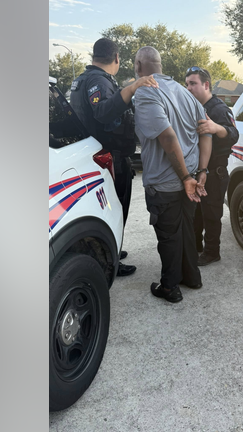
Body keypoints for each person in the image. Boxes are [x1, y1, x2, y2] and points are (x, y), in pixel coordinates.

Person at [69, 38, 158, 277]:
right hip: (109, 160)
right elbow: (103, 113)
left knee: (106, 211)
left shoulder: (84, 79)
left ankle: (112, 251)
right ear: (117, 58)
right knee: (114, 210)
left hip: (96, 156)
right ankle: (111, 262)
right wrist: (132, 88)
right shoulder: (98, 80)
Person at [132, 46, 213, 303]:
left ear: (138, 66)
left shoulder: (146, 92)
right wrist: (201, 171)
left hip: (166, 183)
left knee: (168, 235)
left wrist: (187, 178)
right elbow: (206, 132)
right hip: (191, 178)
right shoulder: (184, 92)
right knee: (186, 229)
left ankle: (169, 287)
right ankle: (192, 276)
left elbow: (167, 137)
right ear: (160, 65)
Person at [184, 66, 240, 266]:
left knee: (212, 215)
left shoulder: (219, 109)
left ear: (206, 85)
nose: (189, 88)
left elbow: (234, 135)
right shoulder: (194, 107)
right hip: (198, 171)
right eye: (187, 84)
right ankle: (196, 246)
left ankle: (211, 252)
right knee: (196, 213)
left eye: (193, 83)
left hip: (215, 173)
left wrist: (216, 128)